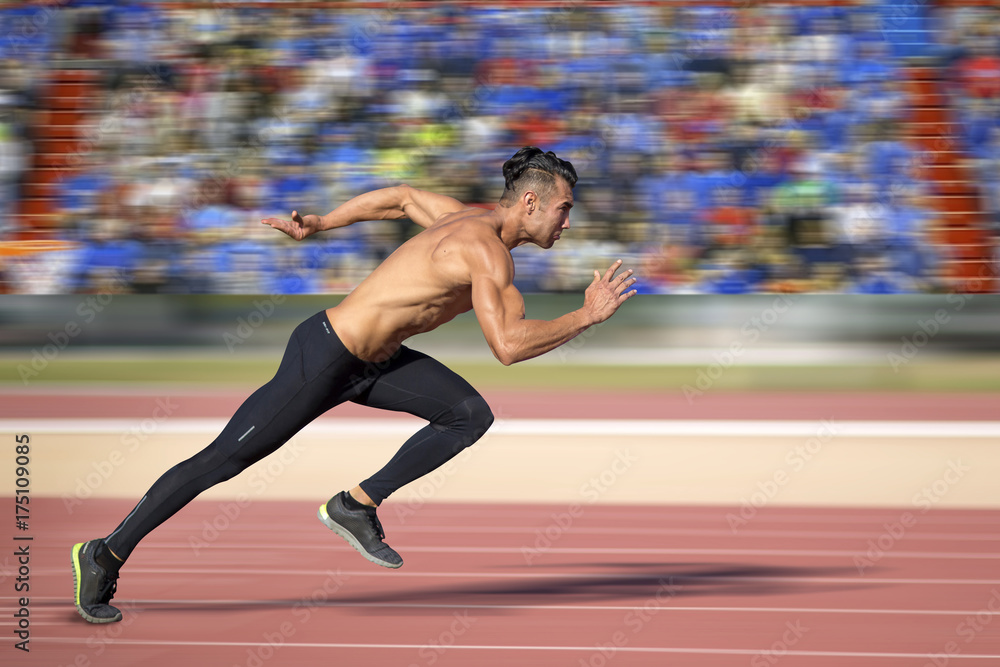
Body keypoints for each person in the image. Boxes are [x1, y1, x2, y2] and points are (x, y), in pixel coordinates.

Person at [71, 146, 638, 624]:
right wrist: (586, 316)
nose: (567, 223)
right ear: (531, 202)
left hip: (376, 363)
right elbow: (508, 346)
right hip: (326, 356)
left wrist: (323, 223)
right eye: (564, 209)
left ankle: (355, 504)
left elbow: (401, 197)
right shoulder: (484, 250)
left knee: (468, 413)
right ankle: (105, 553)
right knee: (221, 461)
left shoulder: (461, 218)